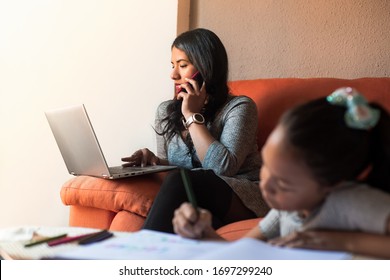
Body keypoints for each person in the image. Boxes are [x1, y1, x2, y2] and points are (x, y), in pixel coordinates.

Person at [173, 87, 390, 259]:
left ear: (332, 183)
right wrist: (203, 234)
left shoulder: (349, 202)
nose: (265, 185)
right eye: (266, 165)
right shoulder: (286, 211)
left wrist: (340, 241)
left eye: (284, 183)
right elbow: (241, 253)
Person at [121, 28, 269, 233]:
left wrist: (192, 116)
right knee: (144, 212)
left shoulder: (240, 107)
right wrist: (155, 161)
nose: (173, 75)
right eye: (172, 66)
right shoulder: (165, 110)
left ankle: (141, 251)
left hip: (240, 200)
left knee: (185, 180)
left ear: (205, 68)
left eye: (182, 65)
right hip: (195, 203)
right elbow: (172, 169)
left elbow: (221, 169)